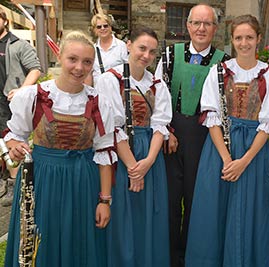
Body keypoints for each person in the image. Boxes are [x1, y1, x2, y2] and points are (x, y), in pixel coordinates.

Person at [4, 31, 116, 267]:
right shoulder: (33, 96)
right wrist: (14, 147)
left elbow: (104, 153)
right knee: (41, 242)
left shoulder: (99, 102)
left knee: (80, 244)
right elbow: (15, 136)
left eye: (87, 62)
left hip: (83, 182)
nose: (79, 67)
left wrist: (104, 201)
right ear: (59, 57)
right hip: (42, 181)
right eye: (72, 59)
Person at [185, 14, 269, 266]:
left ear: (258, 39)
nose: (244, 43)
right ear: (232, 40)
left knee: (247, 213)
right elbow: (212, 118)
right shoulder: (218, 72)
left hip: (252, 153)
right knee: (213, 212)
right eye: (238, 38)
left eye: (249, 37)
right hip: (219, 151)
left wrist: (243, 161)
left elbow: (268, 125)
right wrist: (228, 159)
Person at [154, 4, 230, 266]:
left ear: (215, 29)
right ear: (187, 26)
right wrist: (166, 131)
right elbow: (158, 97)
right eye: (196, 23)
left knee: (197, 198)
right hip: (172, 137)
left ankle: (191, 255)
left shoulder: (224, 61)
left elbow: (225, 105)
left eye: (207, 24)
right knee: (170, 198)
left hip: (205, 138)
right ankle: (169, 254)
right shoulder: (169, 55)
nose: (201, 28)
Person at [96, 25, 172, 266]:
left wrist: (148, 162)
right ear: (128, 45)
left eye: (152, 51)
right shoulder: (110, 79)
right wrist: (132, 168)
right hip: (121, 153)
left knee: (149, 213)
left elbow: (161, 125)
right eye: (141, 48)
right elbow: (112, 128)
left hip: (150, 153)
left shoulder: (157, 84)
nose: (146, 56)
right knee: (124, 214)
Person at [0, 6, 41, 207]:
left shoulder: (18, 44)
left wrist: (23, 91)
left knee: (11, 142)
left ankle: (14, 184)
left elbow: (35, 69)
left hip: (8, 102)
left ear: (4, 20)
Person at [85, 13, 128, 86]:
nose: (102, 28)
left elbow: (127, 70)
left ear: (110, 27)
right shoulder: (92, 49)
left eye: (105, 26)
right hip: (98, 93)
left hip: (117, 92)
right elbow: (89, 74)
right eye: (99, 27)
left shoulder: (121, 46)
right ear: (95, 30)